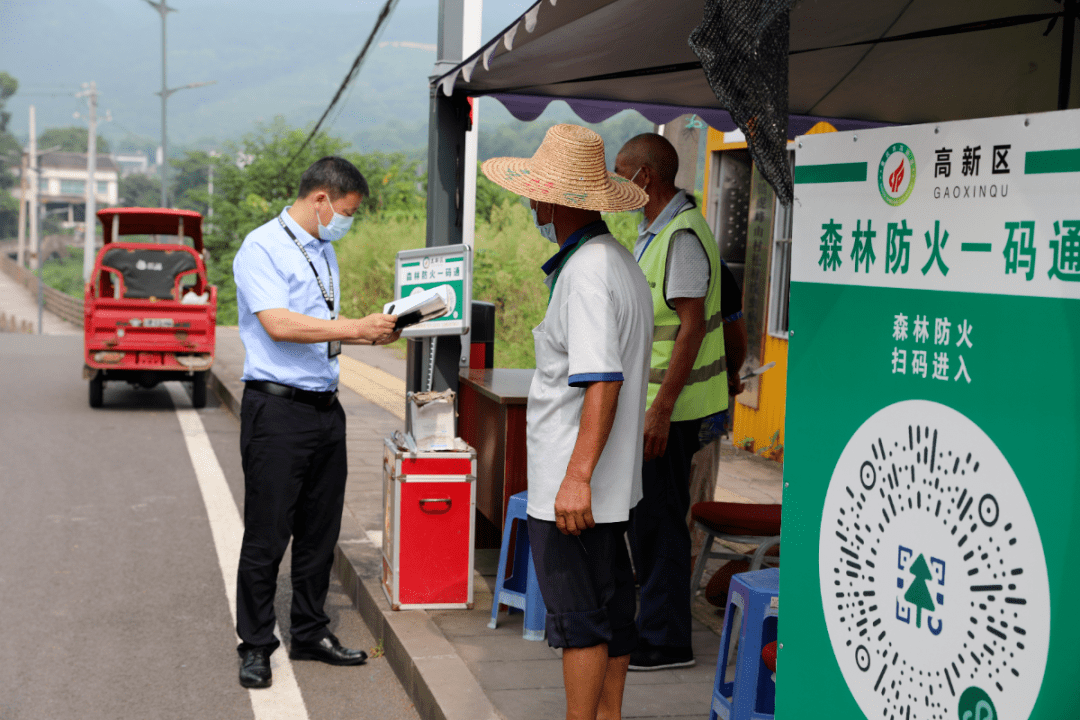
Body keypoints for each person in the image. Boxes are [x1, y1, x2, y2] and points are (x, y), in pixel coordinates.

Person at [481, 124, 652, 720]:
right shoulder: (617, 262)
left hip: (574, 493)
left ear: (556, 199)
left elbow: (601, 378)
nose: (531, 204)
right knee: (609, 615)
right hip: (606, 489)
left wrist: (576, 475)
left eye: (536, 193)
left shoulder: (586, 274)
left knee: (579, 622)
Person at [231, 156, 400, 689]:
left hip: (326, 408)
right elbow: (278, 324)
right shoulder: (261, 248)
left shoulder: (325, 252)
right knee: (267, 535)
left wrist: (372, 332)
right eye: (345, 211)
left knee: (320, 533)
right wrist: (355, 327)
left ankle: (309, 630)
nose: (346, 221)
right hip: (276, 411)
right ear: (321, 198)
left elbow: (324, 324)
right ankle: (256, 644)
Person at [613, 133, 733, 671]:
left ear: (647, 177)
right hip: (656, 404)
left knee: (660, 521)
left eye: (622, 172)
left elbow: (690, 327)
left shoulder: (682, 235)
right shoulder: (654, 232)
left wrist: (660, 408)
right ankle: (655, 624)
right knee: (647, 516)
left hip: (673, 409)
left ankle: (665, 639)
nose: (617, 183)